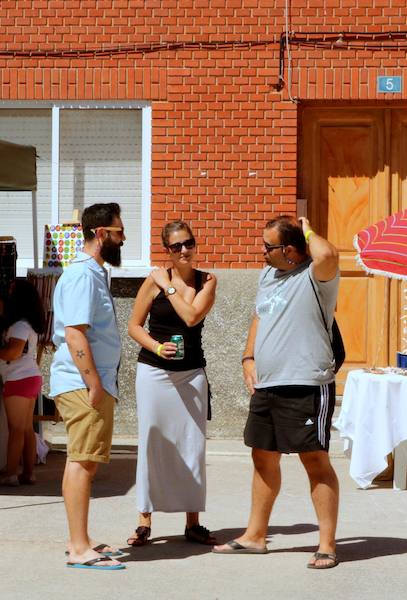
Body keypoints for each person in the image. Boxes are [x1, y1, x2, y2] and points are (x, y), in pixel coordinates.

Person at [213, 215, 341, 570]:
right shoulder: (268, 274)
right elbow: (260, 316)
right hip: (268, 383)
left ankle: (327, 544)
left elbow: (328, 255)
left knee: (314, 460)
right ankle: (255, 536)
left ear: (289, 250)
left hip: (306, 384)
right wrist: (248, 356)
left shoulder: (317, 277)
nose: (261, 252)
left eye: (267, 246)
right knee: (262, 456)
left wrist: (308, 227)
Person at [126, 220, 217, 547]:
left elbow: (192, 317)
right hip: (154, 371)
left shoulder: (207, 281)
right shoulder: (152, 281)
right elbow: (134, 326)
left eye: (188, 243)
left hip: (191, 373)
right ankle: (144, 520)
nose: (183, 251)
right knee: (152, 442)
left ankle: (192, 522)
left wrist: (169, 287)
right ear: (167, 250)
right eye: (176, 246)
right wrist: (156, 347)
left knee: (192, 445)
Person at [50, 202, 127, 571]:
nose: (123, 238)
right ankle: (79, 547)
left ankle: (79, 539)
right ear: (101, 234)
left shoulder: (92, 273)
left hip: (87, 382)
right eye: (118, 231)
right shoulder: (83, 275)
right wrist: (94, 384)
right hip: (83, 384)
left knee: (84, 462)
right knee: (82, 462)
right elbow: (75, 333)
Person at [0, 279, 46, 486]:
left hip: (18, 378)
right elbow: (3, 309)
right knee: (27, 429)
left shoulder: (20, 325)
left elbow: (14, 351)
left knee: (16, 430)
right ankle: (28, 473)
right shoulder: (26, 322)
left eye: (11, 293)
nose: (8, 296)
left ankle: (10, 473)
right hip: (29, 377)